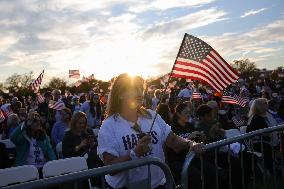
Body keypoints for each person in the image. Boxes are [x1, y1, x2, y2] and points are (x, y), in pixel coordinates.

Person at [97, 73, 203, 189]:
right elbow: (111, 167)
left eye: (140, 89)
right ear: (121, 94)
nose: (139, 93)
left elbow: (172, 140)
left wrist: (190, 143)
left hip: (157, 185)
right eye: (134, 89)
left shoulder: (151, 116)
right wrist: (134, 153)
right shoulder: (108, 126)